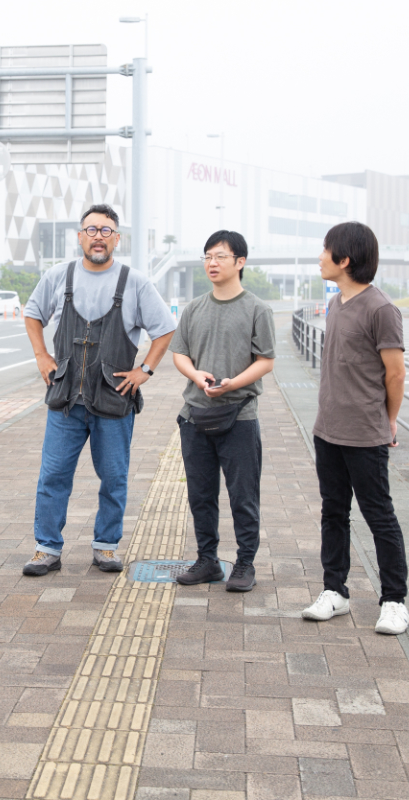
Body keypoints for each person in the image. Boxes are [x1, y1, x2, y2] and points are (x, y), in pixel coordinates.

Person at [22, 204, 176, 576]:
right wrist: (42, 355)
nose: (98, 236)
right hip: (65, 400)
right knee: (53, 474)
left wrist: (145, 370)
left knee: (114, 476)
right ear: (80, 236)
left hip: (113, 397)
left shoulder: (135, 281)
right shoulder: (59, 276)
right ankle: (47, 548)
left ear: (116, 239)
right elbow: (32, 313)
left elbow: (165, 328)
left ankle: (106, 547)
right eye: (91, 230)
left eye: (106, 231)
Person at [301, 222, 409, 635]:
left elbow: (395, 374)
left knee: (379, 515)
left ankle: (395, 600)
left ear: (344, 259)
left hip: (365, 433)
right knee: (334, 512)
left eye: (325, 249)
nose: (320, 256)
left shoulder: (381, 309)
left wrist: (389, 419)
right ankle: (335, 591)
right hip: (327, 429)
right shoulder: (336, 303)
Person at [169, 230, 276, 592]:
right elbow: (179, 353)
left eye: (220, 256)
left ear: (240, 262)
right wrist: (196, 374)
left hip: (239, 417)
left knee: (243, 495)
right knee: (200, 494)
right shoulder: (194, 308)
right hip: (194, 415)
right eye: (207, 256)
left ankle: (245, 563)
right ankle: (208, 560)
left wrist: (234, 383)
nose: (211, 263)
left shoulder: (257, 309)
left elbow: (266, 361)